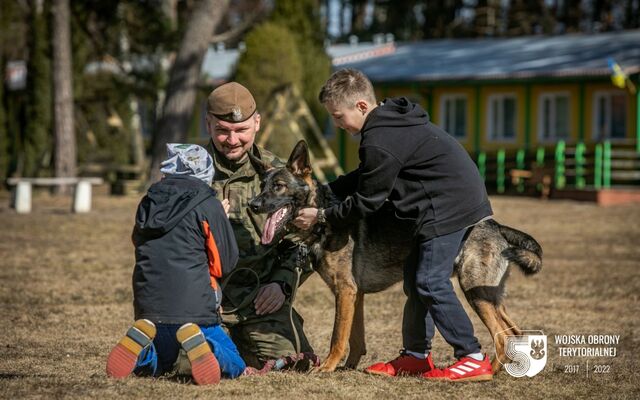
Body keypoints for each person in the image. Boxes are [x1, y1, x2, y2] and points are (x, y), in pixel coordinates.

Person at [294, 69, 494, 381]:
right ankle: (415, 356)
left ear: (361, 106)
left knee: (430, 281)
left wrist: (321, 215)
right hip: (441, 200)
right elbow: (368, 174)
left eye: (337, 116)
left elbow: (368, 201)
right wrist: (329, 190)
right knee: (415, 281)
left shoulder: (380, 137)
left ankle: (472, 357)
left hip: (449, 205)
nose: (336, 124)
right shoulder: (387, 122)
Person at [106, 144, 246, 385]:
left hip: (149, 310)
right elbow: (225, 263)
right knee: (236, 362)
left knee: (162, 363)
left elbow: (138, 244)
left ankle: (142, 353)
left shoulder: (147, 202)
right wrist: (220, 218)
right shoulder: (208, 204)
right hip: (195, 312)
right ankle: (208, 347)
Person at [204, 82, 316, 370]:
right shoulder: (189, 173)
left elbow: (303, 241)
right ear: (208, 124)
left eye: (240, 130)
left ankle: (240, 345)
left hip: (260, 300)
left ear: (256, 123)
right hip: (204, 300)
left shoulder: (279, 176)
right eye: (222, 130)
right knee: (186, 362)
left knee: (293, 363)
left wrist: (282, 282)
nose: (231, 140)